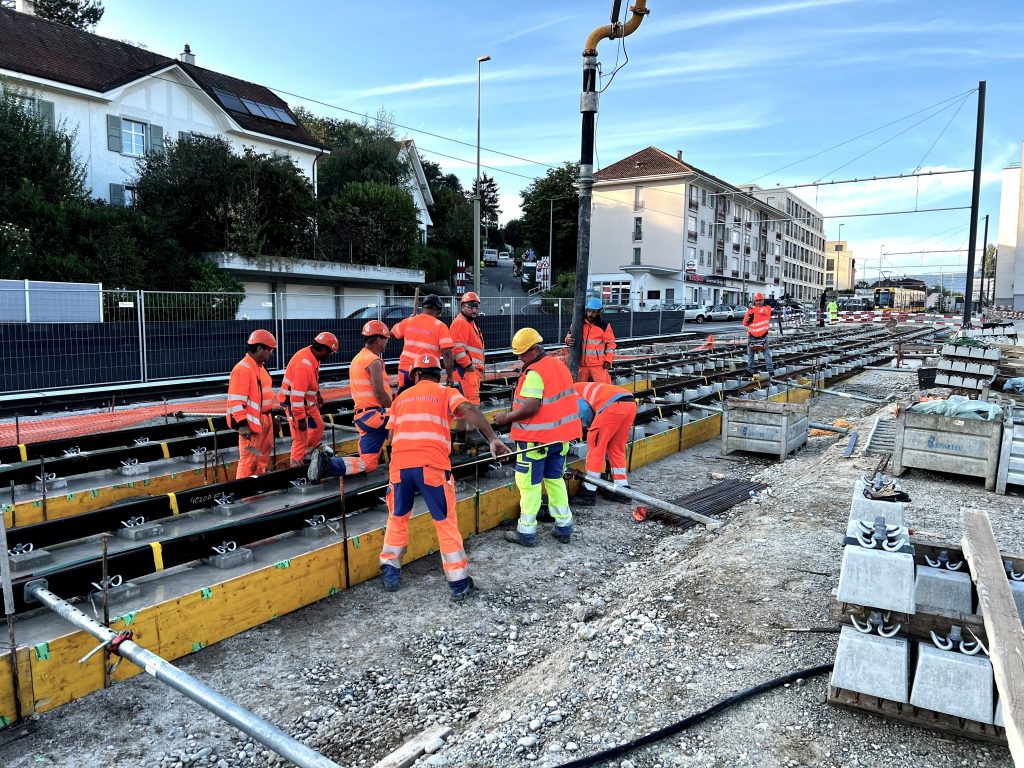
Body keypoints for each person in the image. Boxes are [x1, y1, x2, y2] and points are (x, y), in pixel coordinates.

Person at [377, 353, 510, 601]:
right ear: (437, 374)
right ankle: (458, 582)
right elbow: (468, 408)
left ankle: (390, 571)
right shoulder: (445, 393)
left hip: (400, 467)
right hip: (432, 467)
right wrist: (493, 438)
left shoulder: (401, 398)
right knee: (445, 522)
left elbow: (391, 439)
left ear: (415, 374)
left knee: (397, 518)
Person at [493, 328, 582, 547]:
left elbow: (531, 407)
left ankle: (526, 531)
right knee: (555, 481)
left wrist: (506, 417)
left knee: (529, 485)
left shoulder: (535, 373)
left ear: (534, 349)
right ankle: (564, 527)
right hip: (558, 440)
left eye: (523, 354)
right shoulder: (557, 366)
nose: (520, 358)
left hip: (535, 440)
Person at [308, 321, 392, 478]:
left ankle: (328, 464)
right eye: (386, 338)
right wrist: (395, 410)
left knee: (368, 463)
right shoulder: (373, 361)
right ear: (379, 339)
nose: (387, 342)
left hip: (364, 418)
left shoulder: (357, 359)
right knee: (410, 419)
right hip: (376, 415)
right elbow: (380, 394)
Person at [278, 331, 338, 467]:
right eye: (330, 353)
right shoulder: (303, 365)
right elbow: (296, 397)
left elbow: (311, 380)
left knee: (318, 427)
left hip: (306, 401)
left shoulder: (313, 357)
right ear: (323, 349)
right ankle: (295, 468)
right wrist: (300, 420)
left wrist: (317, 393)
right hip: (294, 403)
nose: (329, 356)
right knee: (300, 437)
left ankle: (306, 454)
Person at [573, 381, 637, 507]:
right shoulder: (581, 386)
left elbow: (585, 411)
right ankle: (621, 490)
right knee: (616, 448)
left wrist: (591, 427)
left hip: (612, 406)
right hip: (630, 404)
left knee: (596, 446)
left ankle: (588, 492)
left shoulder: (570, 391)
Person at [226, 329, 277, 478]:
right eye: (270, 350)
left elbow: (263, 397)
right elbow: (236, 401)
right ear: (260, 348)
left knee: (261, 461)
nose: (271, 353)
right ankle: (246, 497)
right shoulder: (243, 369)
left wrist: (271, 418)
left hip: (263, 422)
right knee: (249, 463)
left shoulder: (259, 367)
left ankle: (257, 493)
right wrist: (242, 425)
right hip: (251, 427)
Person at [391, 294, 455, 391]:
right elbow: (447, 352)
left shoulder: (408, 321)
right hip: (427, 371)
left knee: (404, 399)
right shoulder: (441, 326)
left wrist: (408, 320)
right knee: (426, 401)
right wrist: (450, 376)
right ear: (438, 310)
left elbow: (391, 333)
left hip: (406, 369)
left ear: (423, 308)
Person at [450, 291, 486, 442]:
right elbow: (457, 349)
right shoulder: (461, 323)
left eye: (476, 306)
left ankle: (460, 436)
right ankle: (471, 435)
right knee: (472, 404)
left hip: (471, 371)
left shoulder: (470, 323)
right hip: (467, 371)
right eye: (471, 306)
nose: (474, 310)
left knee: (464, 405)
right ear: (463, 306)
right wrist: (469, 366)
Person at [564, 297, 616, 383]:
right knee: (579, 390)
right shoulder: (578, 324)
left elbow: (611, 344)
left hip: (598, 365)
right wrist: (567, 340)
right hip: (581, 365)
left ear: (599, 313)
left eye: (594, 312)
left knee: (603, 388)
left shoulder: (604, 327)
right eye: (589, 311)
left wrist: (608, 360)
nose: (590, 314)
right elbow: (569, 335)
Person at [742, 292, 774, 378]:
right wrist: (747, 320)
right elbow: (744, 323)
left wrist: (752, 308)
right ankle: (750, 371)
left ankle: (770, 371)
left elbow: (761, 311)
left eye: (760, 300)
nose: (758, 302)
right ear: (754, 301)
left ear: (763, 300)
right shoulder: (751, 310)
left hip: (763, 336)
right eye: (757, 300)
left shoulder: (767, 308)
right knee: (750, 356)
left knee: (766, 354)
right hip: (751, 336)